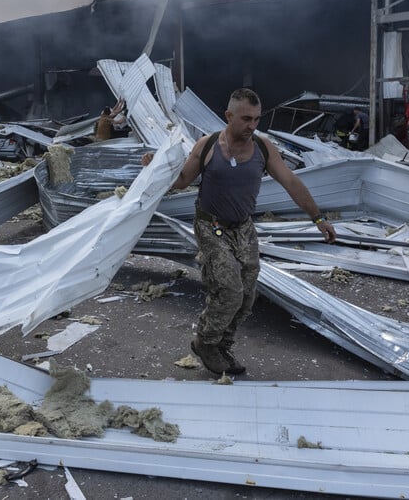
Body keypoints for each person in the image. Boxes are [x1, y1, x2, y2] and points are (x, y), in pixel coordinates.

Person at [142, 88, 336, 376]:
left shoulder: (263, 148)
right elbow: (182, 181)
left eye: (257, 119)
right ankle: (205, 342)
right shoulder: (207, 147)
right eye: (246, 119)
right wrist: (156, 167)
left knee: (247, 296)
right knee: (230, 291)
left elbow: (292, 183)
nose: (252, 126)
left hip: (243, 228)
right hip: (212, 226)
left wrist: (318, 218)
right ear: (229, 116)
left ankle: (222, 345)